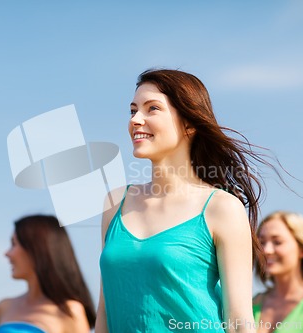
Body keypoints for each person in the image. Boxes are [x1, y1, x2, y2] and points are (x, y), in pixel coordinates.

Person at [96, 69, 276, 332]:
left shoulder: (221, 207)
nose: (136, 119)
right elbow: (105, 312)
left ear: (189, 124)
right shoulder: (115, 203)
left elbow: (239, 321)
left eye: (152, 108)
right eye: (133, 110)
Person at [0, 215, 96, 333]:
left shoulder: (70, 311)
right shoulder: (3, 307)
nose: (7, 253)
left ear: (36, 248)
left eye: (14, 244)